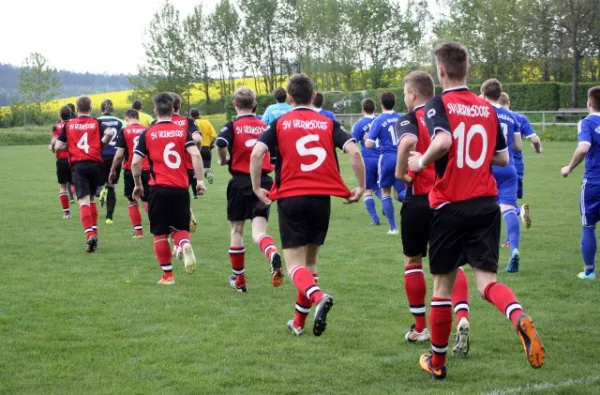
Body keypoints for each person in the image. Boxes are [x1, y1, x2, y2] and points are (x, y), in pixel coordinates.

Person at [407, 42, 544, 380]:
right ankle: (518, 317)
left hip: (451, 205)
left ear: (441, 71)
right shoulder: (487, 109)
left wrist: (419, 161)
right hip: (486, 204)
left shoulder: (439, 103)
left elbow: (442, 142)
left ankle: (437, 364)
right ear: (468, 69)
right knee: (487, 283)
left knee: (441, 286)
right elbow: (502, 158)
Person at [249, 73, 366, 337]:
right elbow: (354, 152)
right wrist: (361, 187)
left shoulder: (279, 122)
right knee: (311, 264)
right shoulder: (328, 122)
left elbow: (257, 153)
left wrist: (257, 187)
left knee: (294, 266)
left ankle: (317, 296)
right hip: (320, 199)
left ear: (289, 98)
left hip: (291, 197)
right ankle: (299, 323)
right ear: (313, 96)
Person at [395, 70, 471, 353]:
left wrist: (400, 171)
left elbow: (407, 143)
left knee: (412, 261)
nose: (404, 97)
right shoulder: (447, 114)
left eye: (405, 92)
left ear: (413, 94)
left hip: (418, 201)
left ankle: (420, 328)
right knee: (453, 265)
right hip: (448, 200)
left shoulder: (411, 117)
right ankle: (462, 316)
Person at [131, 93, 206, 285]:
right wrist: (199, 181)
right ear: (173, 109)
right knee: (181, 227)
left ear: (155, 110)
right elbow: (196, 155)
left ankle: (168, 276)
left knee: (160, 233)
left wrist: (138, 184)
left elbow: (136, 163)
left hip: (158, 189)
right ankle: (184, 243)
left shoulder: (147, 133)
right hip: (180, 188)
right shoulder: (182, 131)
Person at [215, 87, 284, 292]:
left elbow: (220, 142)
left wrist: (223, 159)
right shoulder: (265, 126)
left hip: (240, 181)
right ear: (255, 105)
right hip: (263, 182)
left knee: (237, 230)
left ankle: (240, 280)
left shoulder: (232, 126)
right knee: (259, 232)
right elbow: (274, 156)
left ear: (235, 104)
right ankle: (272, 253)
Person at [54, 96, 114, 253]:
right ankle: (95, 233)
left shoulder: (70, 124)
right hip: (96, 165)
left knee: (83, 201)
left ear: (77, 108)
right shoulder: (96, 122)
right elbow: (109, 133)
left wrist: (72, 147)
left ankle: (89, 235)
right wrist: (104, 141)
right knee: (92, 199)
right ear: (90, 108)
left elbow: (58, 145)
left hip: (79, 165)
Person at [481, 80, 523, 273]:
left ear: (483, 93)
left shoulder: (482, 112)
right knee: (508, 208)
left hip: (489, 165)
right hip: (509, 167)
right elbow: (518, 146)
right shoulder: (511, 116)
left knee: (484, 209)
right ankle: (514, 249)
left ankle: (483, 253)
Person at [561, 86, 600, 281]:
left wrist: (569, 167)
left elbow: (584, 147)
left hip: (594, 182)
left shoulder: (586, 123)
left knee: (589, 226)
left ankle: (589, 271)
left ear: (589, 103)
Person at [498, 92, 542, 238]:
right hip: (517, 165)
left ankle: (517, 211)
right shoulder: (519, 118)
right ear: (508, 102)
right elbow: (535, 140)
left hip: (499, 162)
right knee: (509, 200)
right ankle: (516, 216)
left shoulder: (492, 114)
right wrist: (538, 149)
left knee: (498, 201)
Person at [365, 92, 404, 235]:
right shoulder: (401, 118)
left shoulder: (378, 120)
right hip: (401, 157)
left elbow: (369, 144)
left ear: (381, 103)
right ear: (395, 102)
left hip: (386, 158)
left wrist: (366, 138)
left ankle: (393, 228)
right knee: (400, 192)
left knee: (385, 192)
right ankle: (418, 204)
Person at [108, 109, 150, 238]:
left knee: (132, 201)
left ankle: (138, 232)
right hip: (147, 168)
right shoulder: (147, 130)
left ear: (126, 119)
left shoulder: (124, 131)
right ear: (138, 117)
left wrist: (112, 169)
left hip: (130, 169)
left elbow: (119, 155)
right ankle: (159, 229)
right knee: (147, 201)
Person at [351, 98, 382, 225]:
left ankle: (375, 218)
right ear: (375, 108)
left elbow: (352, 142)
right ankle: (386, 206)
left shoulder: (358, 124)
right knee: (380, 188)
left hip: (368, 160)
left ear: (363, 108)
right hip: (382, 159)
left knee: (367, 189)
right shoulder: (381, 120)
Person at [97, 99, 125, 225]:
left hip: (100, 156)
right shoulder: (121, 122)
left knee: (98, 184)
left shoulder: (97, 121)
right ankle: (109, 217)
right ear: (113, 109)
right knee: (111, 186)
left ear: (101, 109)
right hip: (115, 157)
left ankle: (100, 189)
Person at [170, 94, 202, 200]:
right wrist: (194, 152)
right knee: (181, 198)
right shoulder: (188, 121)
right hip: (186, 165)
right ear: (179, 106)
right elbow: (197, 139)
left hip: (165, 166)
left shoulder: (156, 123)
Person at [49, 106, 73, 219]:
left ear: (60, 115)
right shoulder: (74, 125)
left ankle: (66, 213)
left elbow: (54, 142)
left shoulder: (56, 127)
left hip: (61, 160)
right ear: (70, 114)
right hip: (74, 159)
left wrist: (52, 147)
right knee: (77, 183)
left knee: (63, 186)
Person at [189, 108, 217, 184]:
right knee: (206, 166)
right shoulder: (206, 122)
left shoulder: (191, 124)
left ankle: (196, 186)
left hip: (195, 148)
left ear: (190, 116)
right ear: (199, 114)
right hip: (206, 148)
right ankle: (208, 173)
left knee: (194, 169)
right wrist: (209, 146)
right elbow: (214, 137)